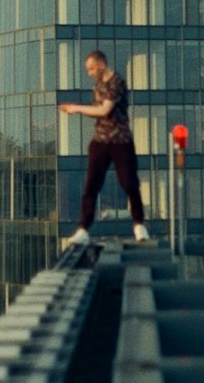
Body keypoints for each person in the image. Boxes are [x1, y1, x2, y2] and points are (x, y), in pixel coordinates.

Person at [59, 50, 150, 245]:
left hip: (121, 141)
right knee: (92, 184)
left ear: (101, 64)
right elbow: (98, 114)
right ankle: (83, 228)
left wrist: (76, 108)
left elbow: (105, 109)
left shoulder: (117, 82)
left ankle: (139, 225)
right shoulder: (97, 86)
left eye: (92, 68)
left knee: (129, 183)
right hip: (100, 141)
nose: (90, 72)